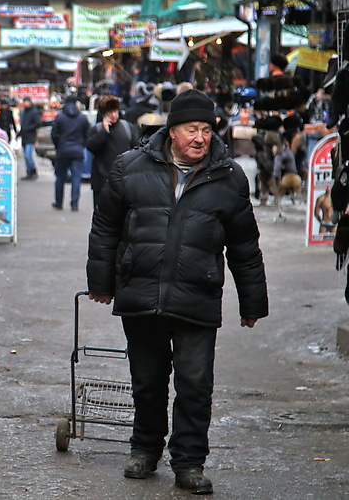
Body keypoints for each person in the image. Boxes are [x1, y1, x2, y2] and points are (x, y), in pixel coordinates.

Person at [87, 88, 268, 495]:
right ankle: (145, 450)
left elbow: (244, 245)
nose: (200, 137)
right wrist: (101, 283)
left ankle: (188, 461)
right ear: (172, 131)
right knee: (147, 380)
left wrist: (252, 301)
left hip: (197, 294)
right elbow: (105, 229)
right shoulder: (130, 167)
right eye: (191, 129)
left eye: (206, 129)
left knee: (195, 383)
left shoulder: (229, 177)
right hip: (142, 291)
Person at [86, 95, 140, 209]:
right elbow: (91, 147)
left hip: (123, 182)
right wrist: (105, 132)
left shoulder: (128, 128)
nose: (114, 115)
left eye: (115, 111)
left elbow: (137, 150)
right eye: (110, 112)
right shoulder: (97, 129)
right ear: (103, 113)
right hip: (102, 183)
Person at [50, 95, 89, 211]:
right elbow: (88, 133)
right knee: (76, 178)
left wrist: (58, 146)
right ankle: (74, 204)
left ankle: (58, 202)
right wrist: (82, 144)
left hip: (62, 151)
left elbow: (54, 134)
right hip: (77, 151)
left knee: (60, 177)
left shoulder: (60, 117)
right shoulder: (82, 118)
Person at [17, 97, 41, 180]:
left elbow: (37, 123)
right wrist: (19, 134)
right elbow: (23, 125)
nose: (26, 103)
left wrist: (28, 129)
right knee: (25, 156)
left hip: (30, 136)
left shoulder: (34, 112)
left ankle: (33, 171)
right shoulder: (24, 112)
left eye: (27, 102)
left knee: (28, 155)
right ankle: (29, 172)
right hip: (25, 136)